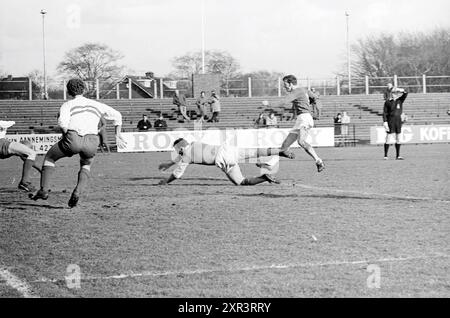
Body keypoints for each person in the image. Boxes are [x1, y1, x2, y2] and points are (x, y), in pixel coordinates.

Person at [30, 78, 127, 208]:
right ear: (84, 89)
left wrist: (67, 136)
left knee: (49, 158)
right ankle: (77, 192)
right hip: (92, 140)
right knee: (86, 164)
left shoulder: (67, 104)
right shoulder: (96, 104)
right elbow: (117, 115)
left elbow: (62, 123)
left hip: (73, 138)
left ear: (68, 91)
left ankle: (44, 190)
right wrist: (118, 134)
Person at [157, 138, 295, 186]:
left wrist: (166, 181)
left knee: (241, 182)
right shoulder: (193, 144)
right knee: (255, 151)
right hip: (228, 149)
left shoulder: (186, 156)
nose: (177, 152)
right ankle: (280, 151)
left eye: (177, 150)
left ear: (180, 148)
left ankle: (264, 178)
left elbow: (177, 174)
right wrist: (168, 164)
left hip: (223, 160)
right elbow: (181, 155)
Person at [275, 75, 325, 172]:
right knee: (283, 147)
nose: (284, 87)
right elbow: (316, 98)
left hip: (305, 118)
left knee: (301, 141)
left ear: (290, 83)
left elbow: (284, 102)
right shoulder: (304, 90)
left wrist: (269, 104)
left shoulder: (296, 91)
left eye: (285, 84)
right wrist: (317, 110)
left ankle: (319, 161)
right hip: (300, 119)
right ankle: (268, 165)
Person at [0, 120, 41, 192]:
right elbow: (7, 123)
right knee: (31, 153)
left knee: (27, 156)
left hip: (3, 145)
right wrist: (13, 122)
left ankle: (41, 171)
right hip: (2, 144)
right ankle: (24, 182)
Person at [383, 86, 408, 160]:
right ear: (391, 94)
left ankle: (398, 155)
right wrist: (385, 122)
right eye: (394, 93)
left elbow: (406, 93)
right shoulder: (387, 102)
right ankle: (385, 155)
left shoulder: (400, 100)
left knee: (398, 138)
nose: (395, 94)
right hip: (390, 120)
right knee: (388, 138)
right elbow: (384, 113)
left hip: (398, 121)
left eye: (396, 93)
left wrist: (402, 90)